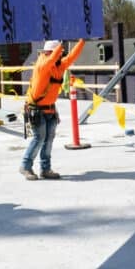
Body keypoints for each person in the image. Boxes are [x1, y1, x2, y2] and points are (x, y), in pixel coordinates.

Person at [20, 38, 85, 180]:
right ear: (51, 53)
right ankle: (25, 166)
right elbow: (50, 60)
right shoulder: (42, 65)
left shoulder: (58, 67)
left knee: (48, 140)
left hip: (50, 109)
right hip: (36, 109)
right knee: (39, 138)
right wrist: (61, 44)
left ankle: (45, 169)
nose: (61, 56)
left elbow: (72, 57)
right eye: (59, 53)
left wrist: (82, 41)